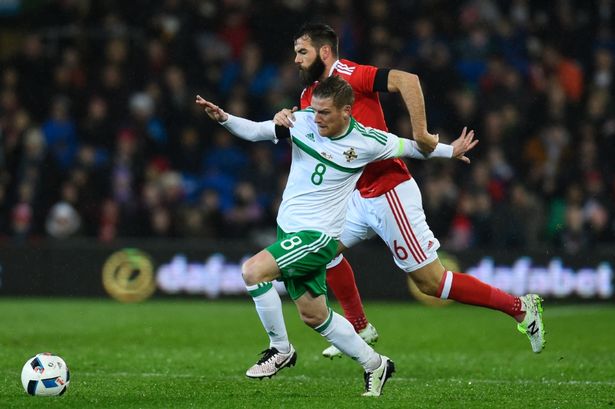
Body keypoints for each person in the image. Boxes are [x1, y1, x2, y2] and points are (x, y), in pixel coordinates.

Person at [273, 23, 545, 359]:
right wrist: (286, 117)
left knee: (432, 283)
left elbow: (407, 80)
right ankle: (359, 326)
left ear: (324, 52)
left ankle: (520, 307)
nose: (296, 59)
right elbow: (311, 134)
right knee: (322, 250)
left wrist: (422, 133)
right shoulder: (310, 95)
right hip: (357, 195)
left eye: (303, 51)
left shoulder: (350, 73)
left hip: (389, 191)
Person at [196, 75, 476, 396]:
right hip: (289, 231)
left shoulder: (368, 141)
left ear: (346, 111)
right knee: (313, 315)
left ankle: (280, 349)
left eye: (325, 113)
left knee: (253, 272)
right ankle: (376, 364)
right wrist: (224, 118)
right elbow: (257, 130)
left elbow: (412, 148)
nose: (317, 119)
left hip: (316, 237)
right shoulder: (300, 122)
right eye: (314, 111)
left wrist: (449, 151)